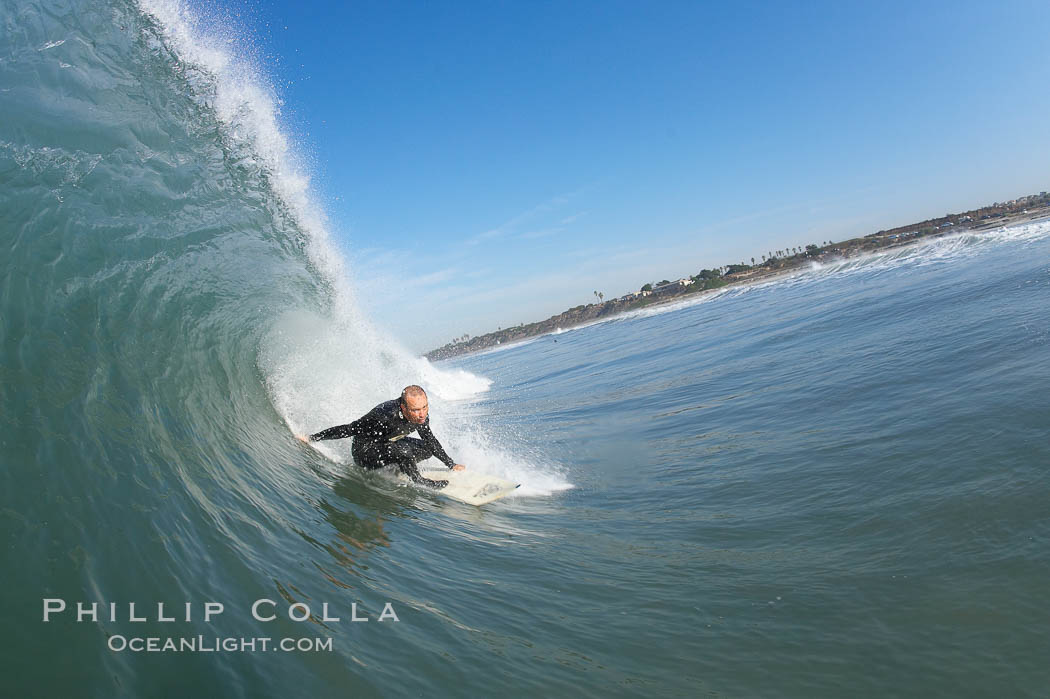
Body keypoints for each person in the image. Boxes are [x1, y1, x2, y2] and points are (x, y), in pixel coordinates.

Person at [297, 385, 465, 488]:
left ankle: (400, 466)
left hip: (389, 444)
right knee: (403, 452)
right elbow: (349, 429)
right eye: (415, 410)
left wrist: (451, 464)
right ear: (403, 407)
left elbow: (430, 439)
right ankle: (418, 480)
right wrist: (312, 438)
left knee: (428, 448)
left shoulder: (420, 416)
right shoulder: (384, 416)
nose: (422, 414)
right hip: (365, 452)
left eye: (425, 407)